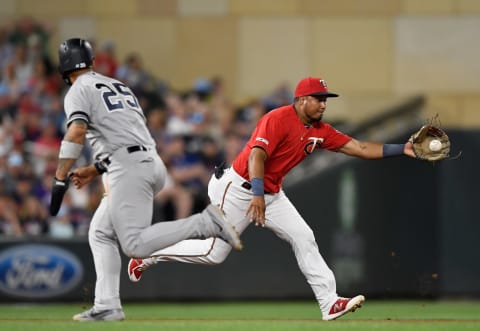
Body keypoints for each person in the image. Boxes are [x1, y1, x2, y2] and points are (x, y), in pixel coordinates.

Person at [127, 77, 417, 321]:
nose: (324, 104)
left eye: (325, 99)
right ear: (302, 100)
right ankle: (148, 254)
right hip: (238, 187)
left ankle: (329, 302)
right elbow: (257, 156)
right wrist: (256, 195)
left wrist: (402, 148)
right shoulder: (277, 118)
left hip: (270, 191)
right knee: (214, 254)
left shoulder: (320, 131)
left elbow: (361, 147)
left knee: (304, 236)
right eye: (318, 98)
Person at [51, 38, 242, 322]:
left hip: (128, 167)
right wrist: (95, 169)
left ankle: (206, 222)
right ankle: (107, 305)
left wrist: (59, 177)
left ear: (65, 67)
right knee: (101, 232)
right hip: (147, 162)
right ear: (91, 62)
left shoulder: (78, 89)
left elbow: (77, 133)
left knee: (135, 246)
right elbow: (125, 138)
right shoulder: (118, 86)